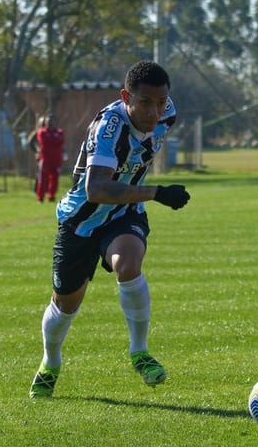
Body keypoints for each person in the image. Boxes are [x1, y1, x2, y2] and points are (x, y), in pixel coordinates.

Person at [29, 60, 191, 398]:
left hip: (124, 212)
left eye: (160, 102)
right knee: (65, 305)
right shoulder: (109, 127)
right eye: (145, 103)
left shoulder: (168, 113)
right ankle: (51, 361)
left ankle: (139, 352)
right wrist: (158, 193)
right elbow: (96, 189)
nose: (154, 112)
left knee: (129, 262)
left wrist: (143, 193)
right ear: (126, 97)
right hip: (81, 220)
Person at [29, 114, 65, 203]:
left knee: (55, 179)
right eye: (48, 122)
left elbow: (60, 142)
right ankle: (40, 197)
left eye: (52, 122)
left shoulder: (59, 132)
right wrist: (37, 151)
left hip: (56, 160)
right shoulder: (42, 132)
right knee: (42, 179)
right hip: (45, 159)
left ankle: (52, 196)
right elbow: (44, 143)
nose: (50, 124)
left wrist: (53, 142)